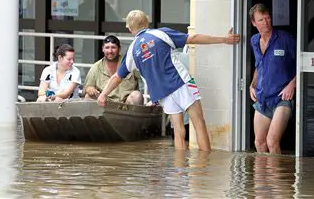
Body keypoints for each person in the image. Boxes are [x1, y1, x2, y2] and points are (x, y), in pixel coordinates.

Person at [97, 10, 240, 151]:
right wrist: (223, 39)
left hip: (163, 93)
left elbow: (117, 77)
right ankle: (204, 169)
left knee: (178, 131)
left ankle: (179, 172)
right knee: (198, 122)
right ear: (147, 22)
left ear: (129, 29)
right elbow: (194, 38)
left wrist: (103, 94)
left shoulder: (132, 51)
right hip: (181, 83)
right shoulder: (161, 33)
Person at [248, 3, 296, 154]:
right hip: (263, 98)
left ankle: (276, 178)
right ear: (253, 23)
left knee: (272, 141)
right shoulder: (254, 40)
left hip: (281, 97)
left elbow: (302, 65)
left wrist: (292, 84)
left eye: (268, 18)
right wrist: (252, 85)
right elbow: (259, 66)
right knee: (259, 143)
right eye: (261, 20)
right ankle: (262, 178)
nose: (266, 22)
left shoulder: (285, 39)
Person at [84, 35, 143, 105]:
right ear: (103, 49)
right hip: (105, 104)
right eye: (107, 47)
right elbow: (87, 87)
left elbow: (147, 78)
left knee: (136, 95)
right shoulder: (96, 67)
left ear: (119, 48)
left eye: (113, 47)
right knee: (88, 97)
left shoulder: (128, 64)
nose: (110, 51)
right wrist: (90, 89)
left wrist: (154, 99)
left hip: (126, 105)